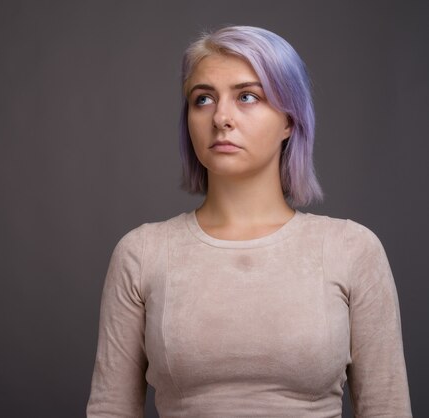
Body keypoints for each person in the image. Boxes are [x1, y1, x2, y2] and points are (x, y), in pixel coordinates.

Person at [86, 26, 412, 417]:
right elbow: (111, 410)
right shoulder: (143, 253)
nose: (221, 117)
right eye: (203, 98)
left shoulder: (351, 249)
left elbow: (387, 409)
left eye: (247, 96)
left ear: (290, 120)